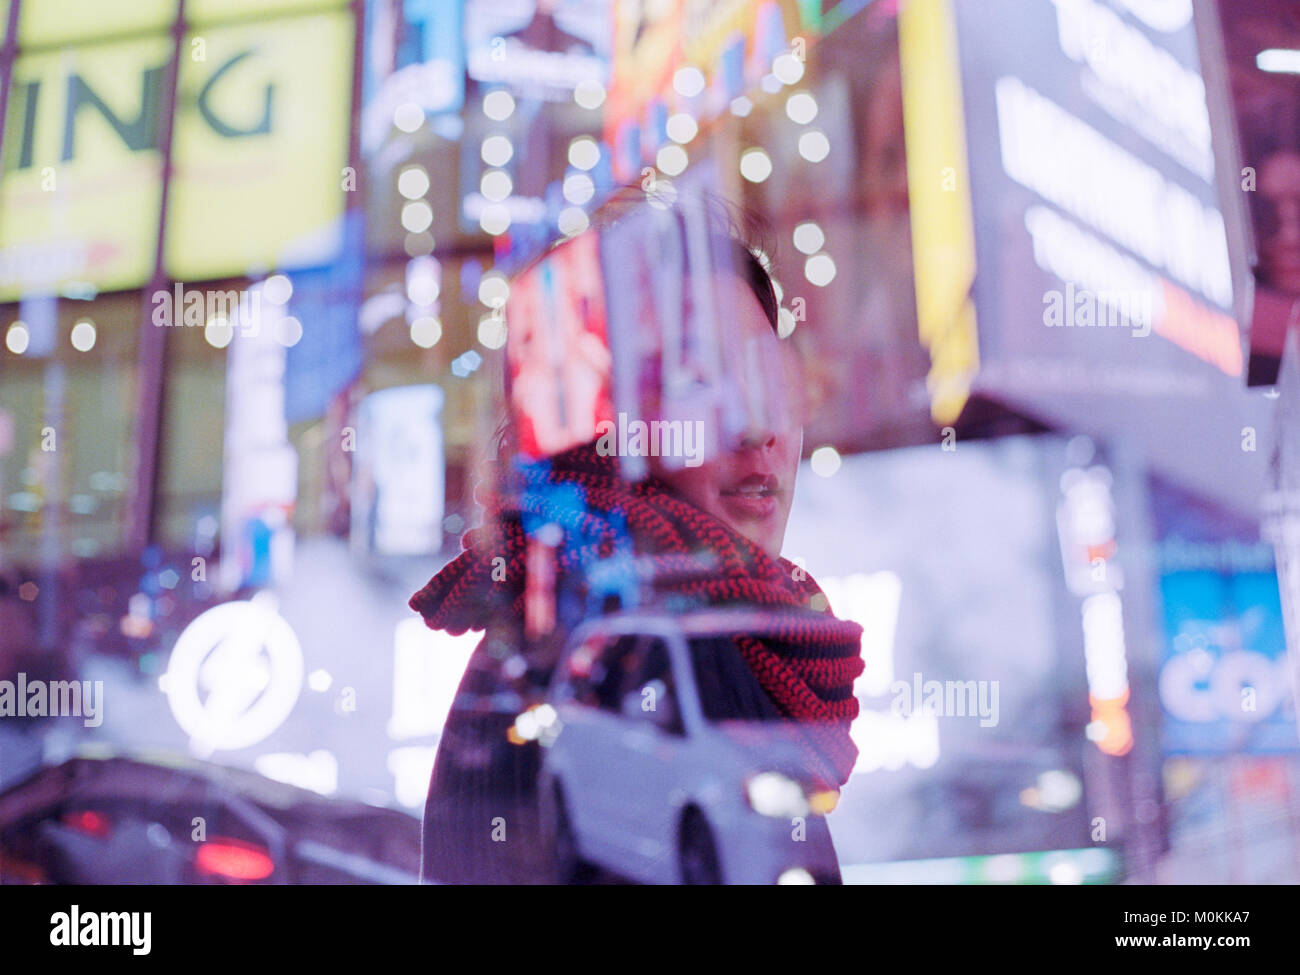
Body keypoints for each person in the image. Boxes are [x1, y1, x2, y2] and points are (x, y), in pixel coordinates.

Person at [409, 192, 864, 884]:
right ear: (609, 430)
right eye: (700, 381)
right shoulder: (650, 648)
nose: (756, 428)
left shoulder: (624, 631)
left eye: (766, 375)